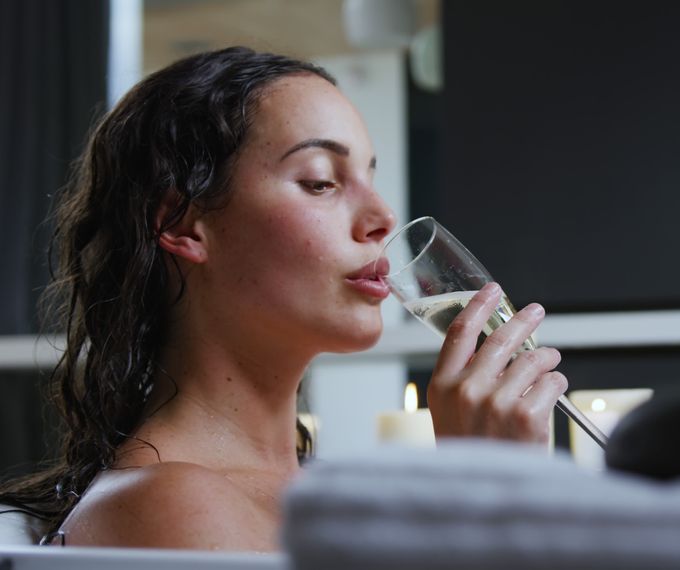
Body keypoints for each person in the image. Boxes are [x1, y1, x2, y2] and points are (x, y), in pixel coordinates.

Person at [0, 47, 567, 551]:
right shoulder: (171, 502)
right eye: (321, 181)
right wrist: (492, 497)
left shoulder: (323, 497)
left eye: (370, 175)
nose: (383, 217)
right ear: (183, 223)